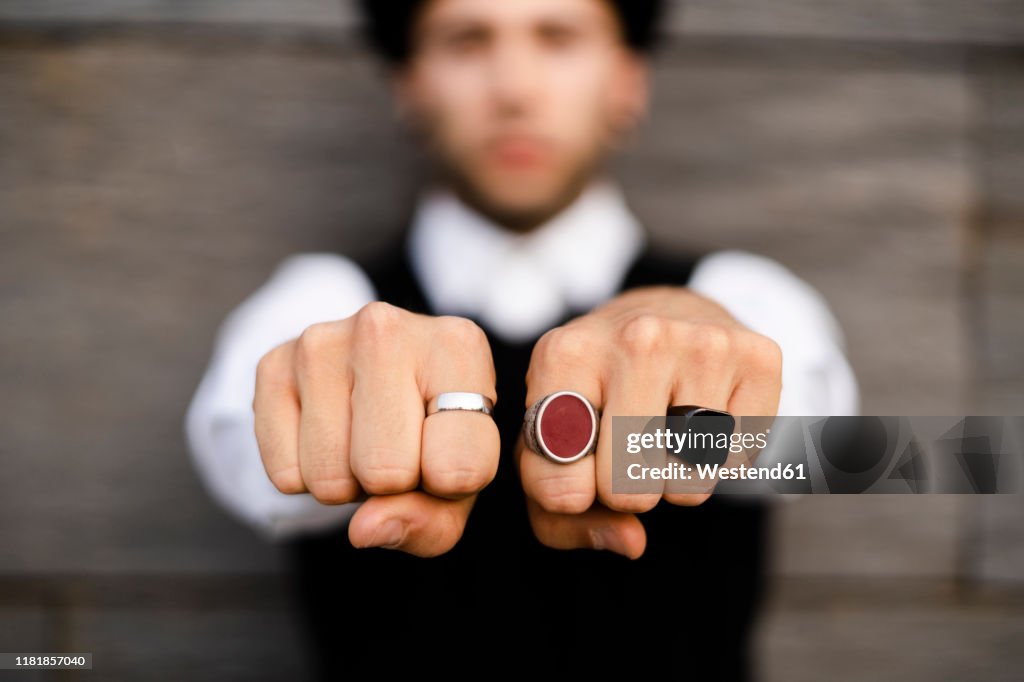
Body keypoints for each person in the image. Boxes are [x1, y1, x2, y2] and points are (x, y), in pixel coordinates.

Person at [185, 0, 858, 678]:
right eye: (466, 41)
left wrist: (715, 376)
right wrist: (321, 409)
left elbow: (832, 451)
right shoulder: (320, 303)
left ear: (629, 82)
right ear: (409, 86)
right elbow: (241, 446)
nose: (514, 90)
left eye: (558, 38)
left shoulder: (744, 295)